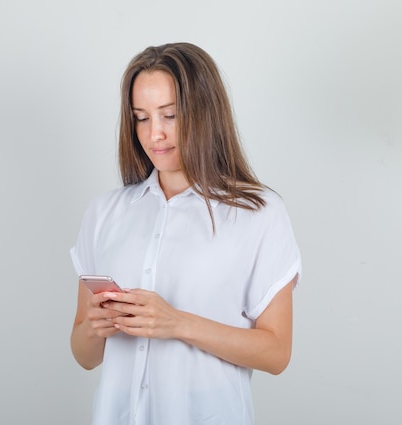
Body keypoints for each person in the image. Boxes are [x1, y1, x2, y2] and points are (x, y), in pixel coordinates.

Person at [70, 42, 301, 425]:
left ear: (205, 113)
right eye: (141, 118)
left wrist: (177, 323)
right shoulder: (105, 213)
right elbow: (84, 356)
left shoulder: (259, 214)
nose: (154, 134)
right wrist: (96, 327)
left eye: (170, 115)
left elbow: (276, 353)